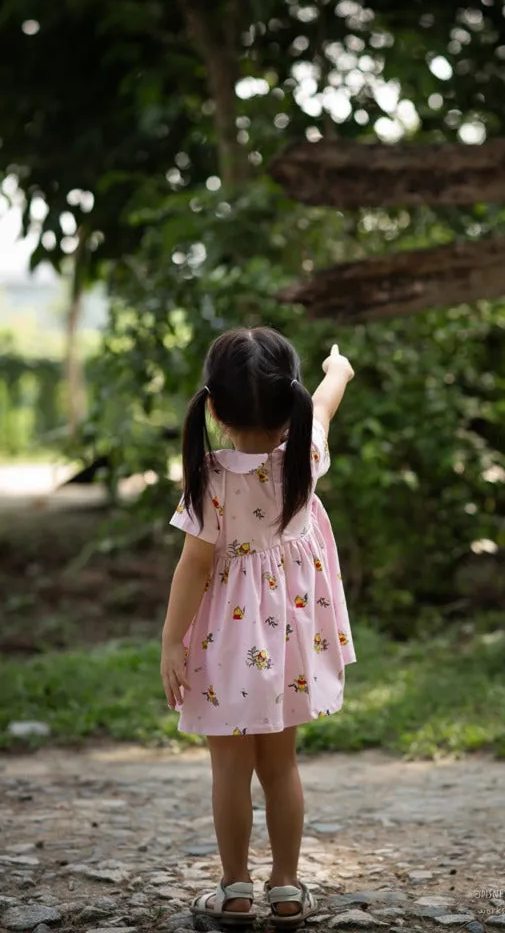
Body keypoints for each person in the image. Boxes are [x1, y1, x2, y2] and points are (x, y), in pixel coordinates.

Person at [160, 327, 355, 928]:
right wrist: (338, 368)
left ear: (213, 408)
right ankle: (288, 888)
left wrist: (172, 641)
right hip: (293, 638)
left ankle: (236, 889)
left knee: (230, 770)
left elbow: (193, 569)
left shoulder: (211, 477)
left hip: (226, 645)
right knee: (281, 767)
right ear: (288, 401)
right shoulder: (305, 456)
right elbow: (325, 402)